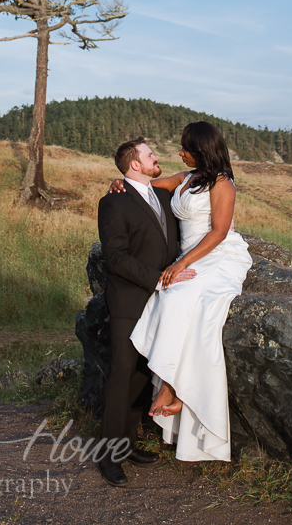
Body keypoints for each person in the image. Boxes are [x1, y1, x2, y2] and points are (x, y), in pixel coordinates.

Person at [108, 121, 251, 462]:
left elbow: (217, 232)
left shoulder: (222, 183)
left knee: (183, 298)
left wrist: (178, 264)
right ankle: (172, 386)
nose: (179, 152)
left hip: (216, 256)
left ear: (200, 150)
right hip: (189, 256)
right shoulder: (185, 179)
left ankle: (173, 388)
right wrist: (120, 183)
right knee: (166, 300)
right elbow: (145, 185)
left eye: (185, 148)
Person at [97, 137, 196, 488]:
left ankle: (128, 445)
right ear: (134, 164)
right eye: (149, 154)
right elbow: (116, 258)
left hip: (161, 302)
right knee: (122, 374)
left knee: (142, 373)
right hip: (129, 301)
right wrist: (160, 279)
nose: (157, 157)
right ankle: (108, 456)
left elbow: (193, 174)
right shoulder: (113, 203)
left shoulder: (165, 197)